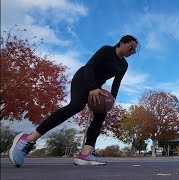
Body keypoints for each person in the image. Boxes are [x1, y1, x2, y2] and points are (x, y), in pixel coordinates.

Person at [9, 35, 139, 167]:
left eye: (134, 51)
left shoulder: (124, 65)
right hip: (83, 78)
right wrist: (92, 87)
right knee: (76, 106)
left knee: (102, 113)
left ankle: (86, 153)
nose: (132, 52)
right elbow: (89, 67)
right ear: (122, 43)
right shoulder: (106, 50)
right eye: (130, 48)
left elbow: (116, 83)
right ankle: (28, 139)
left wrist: (112, 100)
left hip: (97, 86)